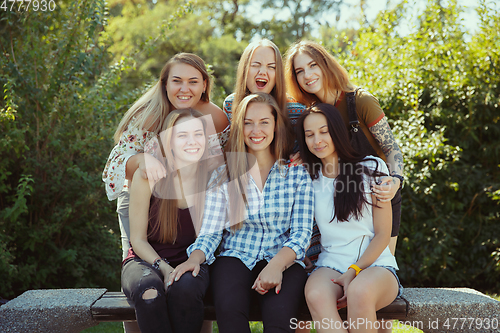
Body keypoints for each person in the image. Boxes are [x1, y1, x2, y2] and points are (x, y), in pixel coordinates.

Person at [103, 53, 227, 333]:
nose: (185, 89)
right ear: (165, 84)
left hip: (193, 196)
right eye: (177, 81)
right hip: (143, 196)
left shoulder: (215, 117)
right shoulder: (148, 114)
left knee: (191, 282)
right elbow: (114, 165)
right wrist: (142, 161)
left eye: (193, 81)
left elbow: (227, 155)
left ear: (205, 85)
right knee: (142, 275)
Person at [169, 93, 314, 333]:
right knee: (230, 314)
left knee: (279, 322)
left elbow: (301, 234)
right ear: (240, 127)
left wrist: (276, 266)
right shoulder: (224, 174)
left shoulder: (297, 174)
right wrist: (194, 259)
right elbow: (211, 231)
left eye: (264, 122)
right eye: (248, 122)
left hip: (283, 259)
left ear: (276, 125)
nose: (256, 130)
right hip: (235, 255)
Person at [285, 40, 404, 254]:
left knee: (381, 266)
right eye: (300, 71)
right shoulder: (310, 113)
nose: (307, 75)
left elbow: (392, 148)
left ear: (325, 65)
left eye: (313, 66)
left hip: (378, 195)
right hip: (339, 197)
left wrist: (396, 181)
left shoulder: (361, 101)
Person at [297, 103, 402, 333]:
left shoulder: (372, 167)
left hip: (376, 265)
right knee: (315, 294)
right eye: (309, 134)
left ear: (337, 131)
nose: (317, 140)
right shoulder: (307, 179)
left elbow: (383, 234)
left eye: (324, 131)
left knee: (359, 291)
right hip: (330, 264)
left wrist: (354, 270)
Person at [122, 108, 215, 333]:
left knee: (184, 289)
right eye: (182, 135)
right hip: (146, 261)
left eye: (198, 134)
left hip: (192, 260)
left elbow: (210, 236)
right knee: (149, 292)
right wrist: (163, 267)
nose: (192, 141)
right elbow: (137, 240)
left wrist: (185, 265)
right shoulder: (147, 177)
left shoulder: (213, 177)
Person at [223, 38, 306, 157]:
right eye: (256, 65)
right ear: (244, 69)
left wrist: (303, 156)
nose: (262, 72)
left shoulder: (297, 111)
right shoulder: (231, 105)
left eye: (271, 67)